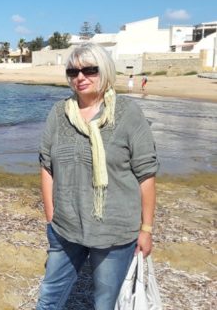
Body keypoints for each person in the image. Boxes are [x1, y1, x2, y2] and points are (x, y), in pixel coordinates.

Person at [36, 43, 158, 310]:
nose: (80, 77)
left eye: (90, 70)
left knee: (103, 304)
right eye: (73, 71)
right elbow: (47, 166)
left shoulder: (128, 114)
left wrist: (146, 229)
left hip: (115, 232)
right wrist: (50, 218)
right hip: (66, 228)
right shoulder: (59, 113)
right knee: (48, 301)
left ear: (105, 71)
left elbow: (146, 173)